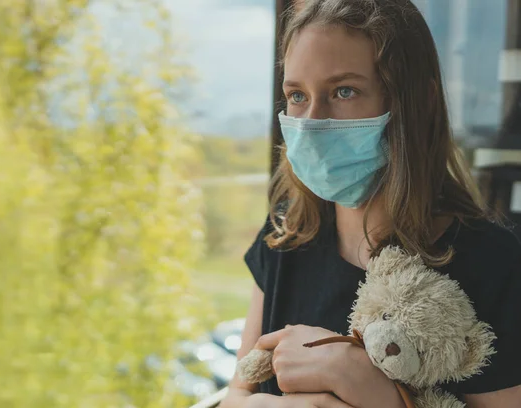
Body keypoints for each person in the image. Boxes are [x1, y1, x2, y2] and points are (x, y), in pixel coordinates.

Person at [218, 0, 521, 407]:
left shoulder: (495, 264)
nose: (311, 121)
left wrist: (375, 393)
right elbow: (239, 392)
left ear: (418, 102)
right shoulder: (285, 232)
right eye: (296, 95)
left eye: (345, 91)